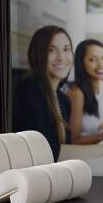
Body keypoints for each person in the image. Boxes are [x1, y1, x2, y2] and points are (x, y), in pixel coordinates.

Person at [13, 26, 73, 161]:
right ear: (38, 54)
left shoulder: (63, 99)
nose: (61, 57)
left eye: (66, 49)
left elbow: (66, 147)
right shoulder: (30, 91)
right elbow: (46, 151)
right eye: (51, 50)